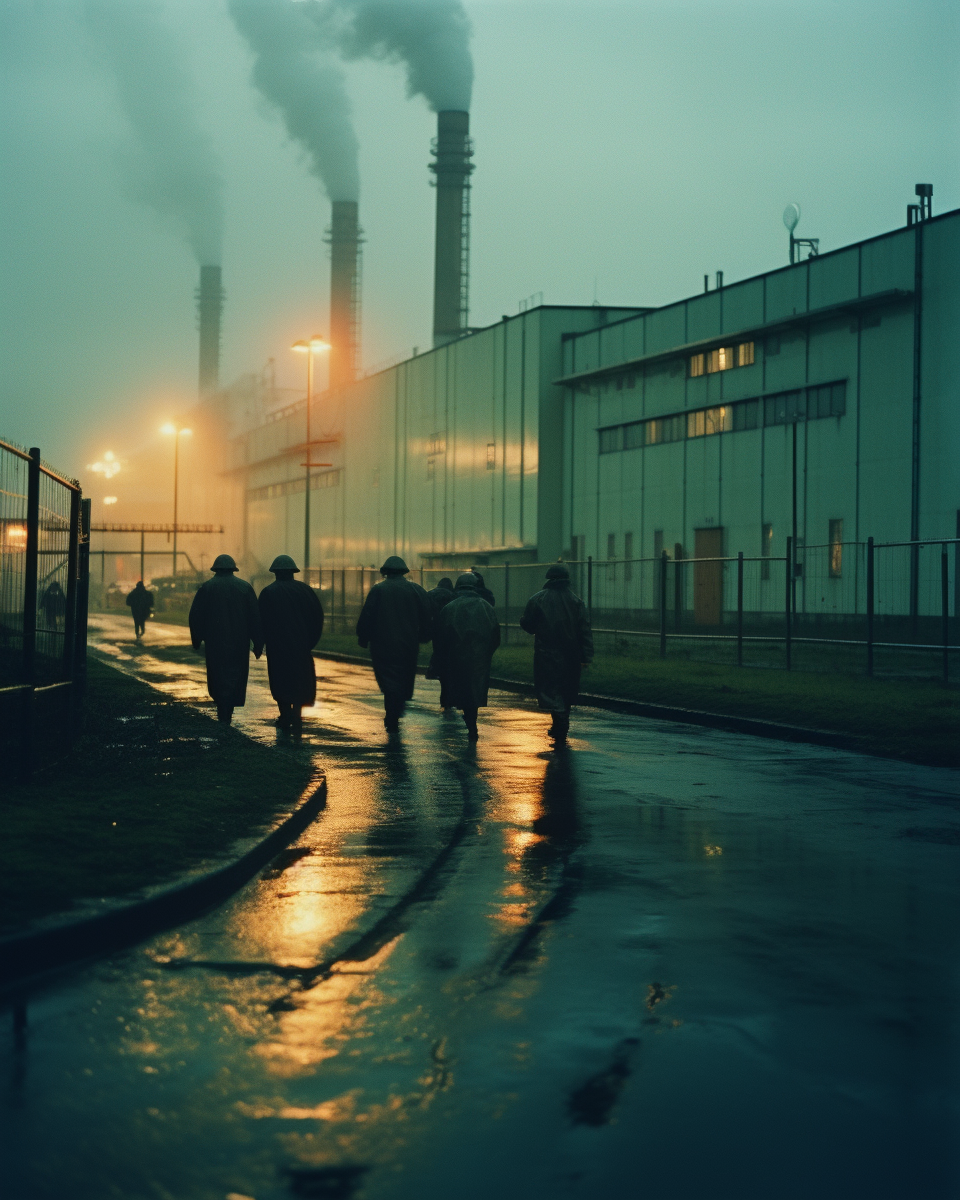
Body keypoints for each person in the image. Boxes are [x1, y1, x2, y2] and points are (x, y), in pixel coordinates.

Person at [519, 563, 593, 746]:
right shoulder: (576, 601)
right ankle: (561, 723)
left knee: (551, 689)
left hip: (546, 653)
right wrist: (586, 656)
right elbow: (584, 630)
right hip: (571, 653)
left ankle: (559, 725)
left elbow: (528, 624)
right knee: (567, 689)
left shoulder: (538, 599)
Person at [356, 555, 432, 731]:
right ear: (403, 572)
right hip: (408, 643)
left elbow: (368, 615)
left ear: (386, 572)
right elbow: (426, 615)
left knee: (388, 678)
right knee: (405, 676)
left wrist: (363, 637)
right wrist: (425, 635)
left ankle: (392, 711)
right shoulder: (415, 590)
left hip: (382, 643)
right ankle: (397, 708)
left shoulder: (378, 590)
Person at [188, 554, 263, 725]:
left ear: (215, 569)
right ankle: (228, 711)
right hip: (239, 642)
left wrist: (197, 638)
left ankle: (222, 710)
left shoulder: (207, 588)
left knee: (217, 675)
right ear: (233, 569)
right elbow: (255, 617)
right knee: (235, 675)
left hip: (214, 642)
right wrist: (258, 643)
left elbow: (196, 616)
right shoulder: (245, 588)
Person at [258, 554, 324, 730]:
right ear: (293, 572)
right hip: (300, 646)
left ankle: (284, 714)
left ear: (275, 573)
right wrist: (310, 641)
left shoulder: (268, 592)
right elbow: (317, 617)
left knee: (280, 680)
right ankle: (297, 715)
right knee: (300, 681)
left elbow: (260, 621)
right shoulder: (305, 591)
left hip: (277, 647)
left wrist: (260, 643)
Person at [432, 573, 501, 740]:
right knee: (474, 691)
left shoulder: (449, 608)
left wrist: (442, 656)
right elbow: (495, 636)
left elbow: (440, 636)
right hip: (479, 658)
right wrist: (486, 653)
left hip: (455, 657)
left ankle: (469, 720)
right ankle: (472, 721)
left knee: (460, 689)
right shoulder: (486, 607)